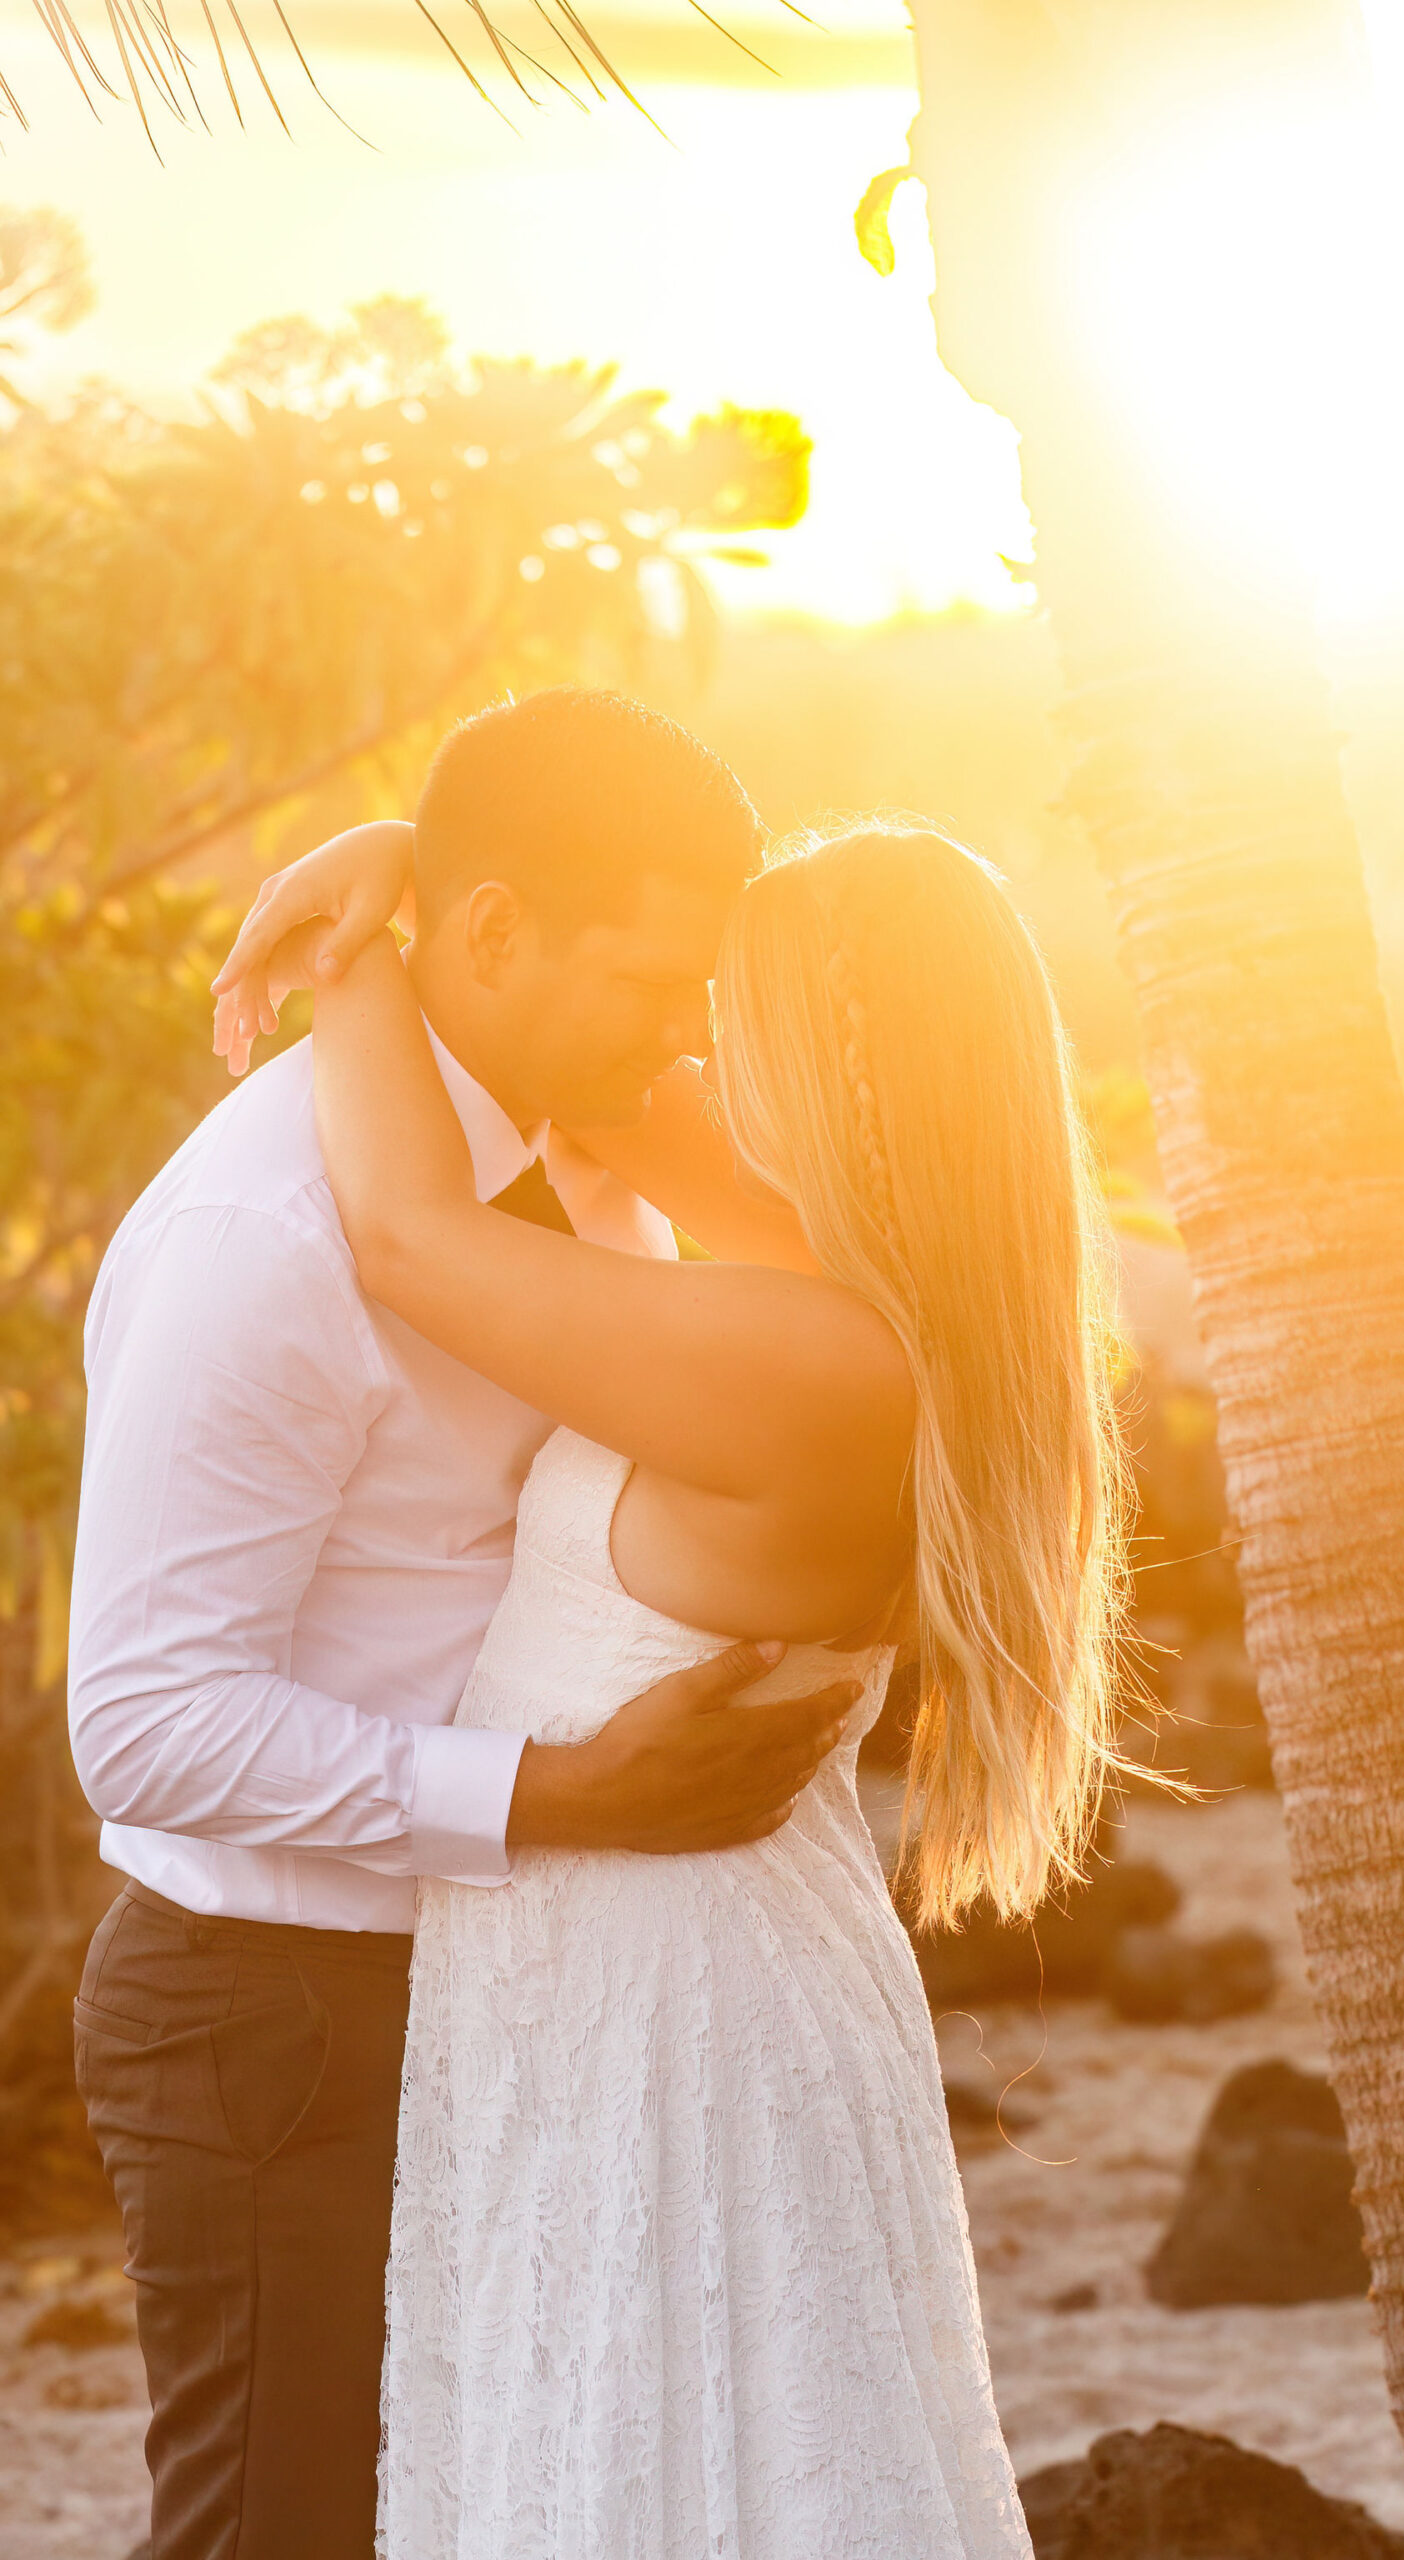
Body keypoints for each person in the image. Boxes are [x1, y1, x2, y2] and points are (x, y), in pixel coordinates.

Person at [211, 783, 1130, 2558]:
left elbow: (410, 1234)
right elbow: (585, 1158)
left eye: (721, 1033)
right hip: (657, 1966)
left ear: (827, 1094)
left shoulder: (821, 1365)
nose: (676, 1060)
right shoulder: (832, 1309)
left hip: (672, 2001)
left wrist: (372, 938)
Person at [68, 690, 861, 2560]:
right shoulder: (268, 1238)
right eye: (653, 983)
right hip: (282, 2018)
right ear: (493, 938)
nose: (688, 1037)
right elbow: (151, 1724)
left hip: (515, 1995)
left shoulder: (598, 1138)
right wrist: (560, 1797)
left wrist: (392, 877)